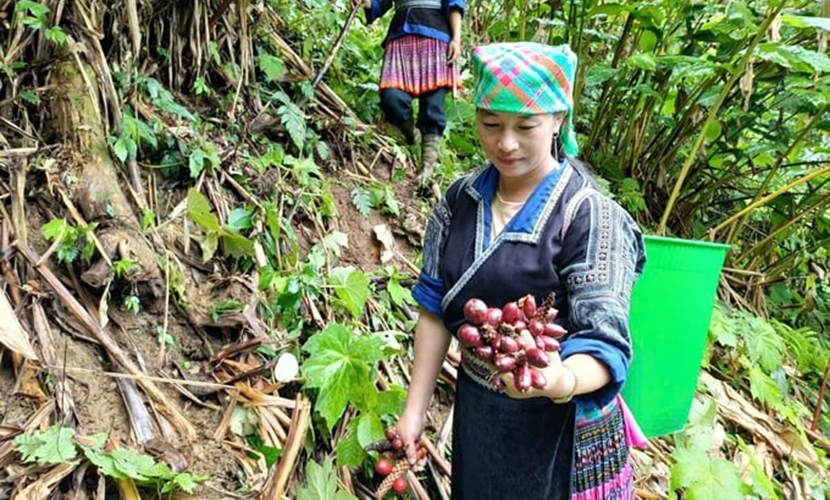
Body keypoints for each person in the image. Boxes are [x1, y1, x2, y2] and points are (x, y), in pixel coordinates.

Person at [401, 42, 648, 499]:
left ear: (558, 120)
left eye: (526, 126)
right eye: (490, 124)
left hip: (563, 425)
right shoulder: (459, 201)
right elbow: (435, 308)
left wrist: (559, 380)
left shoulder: (589, 215)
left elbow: (606, 340)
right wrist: (415, 411)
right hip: (480, 412)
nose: (505, 142)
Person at [362, 0, 464, 184]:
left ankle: (427, 165)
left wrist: (456, 39)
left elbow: (454, 4)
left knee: (433, 106)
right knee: (391, 97)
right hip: (400, 38)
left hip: (436, 39)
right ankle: (412, 134)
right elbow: (379, 4)